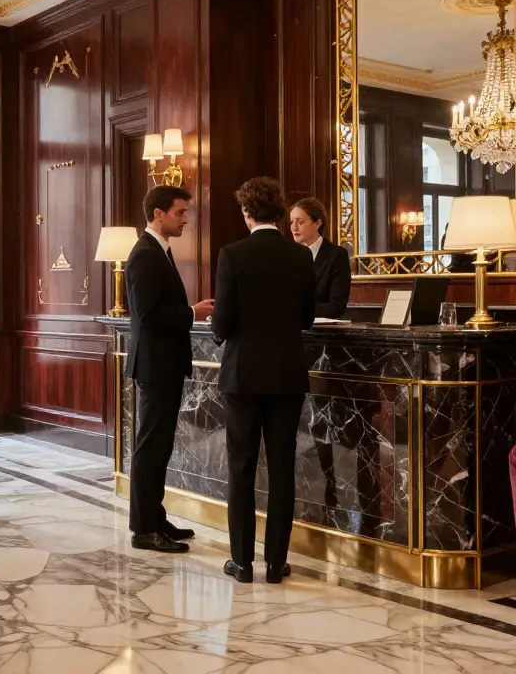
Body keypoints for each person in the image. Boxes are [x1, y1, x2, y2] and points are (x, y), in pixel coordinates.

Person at [212, 177, 317, 583]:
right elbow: (307, 318)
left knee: (240, 468)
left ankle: (241, 562)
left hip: (242, 376)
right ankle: (276, 563)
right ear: (278, 211)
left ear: (246, 212)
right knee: (282, 468)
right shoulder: (300, 257)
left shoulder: (231, 255)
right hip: (288, 374)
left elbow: (221, 322)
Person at [124, 185, 215, 553]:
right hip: (155, 364)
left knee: (160, 445)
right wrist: (193, 313)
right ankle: (144, 529)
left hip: (163, 363)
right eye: (179, 212)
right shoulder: (145, 254)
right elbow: (148, 314)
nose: (186, 219)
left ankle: (154, 517)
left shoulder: (159, 251)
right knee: (150, 446)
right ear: (157, 214)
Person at [288, 197, 350, 319]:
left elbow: (336, 306)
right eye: (291, 222)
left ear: (317, 223)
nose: (294, 228)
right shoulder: (287, 255)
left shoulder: (337, 255)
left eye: (300, 222)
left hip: (322, 333)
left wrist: (296, 310)